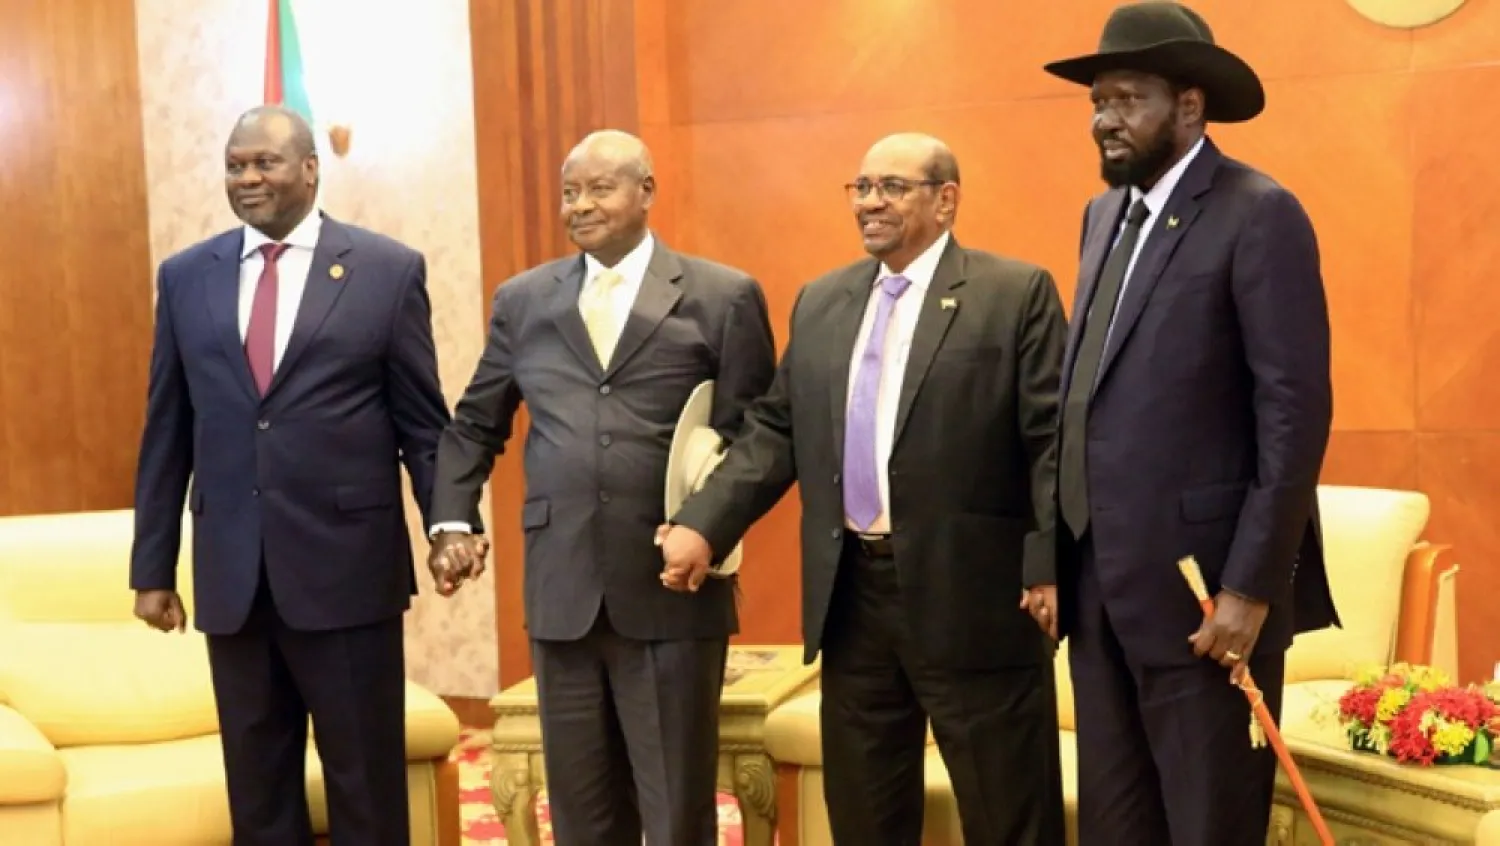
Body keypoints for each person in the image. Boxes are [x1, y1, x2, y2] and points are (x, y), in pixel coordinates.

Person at [659, 133, 1068, 845]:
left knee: (1008, 814)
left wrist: (1049, 562)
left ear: (946, 200)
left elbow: (1051, 441)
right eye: (860, 187)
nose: (870, 202)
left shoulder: (1013, 293)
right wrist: (705, 522)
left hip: (976, 597)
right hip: (855, 598)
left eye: (892, 186)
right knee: (866, 816)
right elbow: (774, 432)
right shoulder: (823, 302)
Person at [1033, 3, 1339, 844]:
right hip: (1102, 600)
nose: (1104, 119)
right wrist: (1052, 557)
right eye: (1098, 101)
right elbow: (1080, 400)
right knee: (1116, 829)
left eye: (1127, 99)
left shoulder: (1257, 211)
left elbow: (1295, 411)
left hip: (1206, 604)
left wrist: (1249, 589)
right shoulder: (1104, 217)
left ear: (1190, 106)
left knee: (1207, 827)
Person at [425, 129, 776, 846]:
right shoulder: (523, 301)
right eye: (568, 192)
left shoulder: (722, 296)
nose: (579, 205)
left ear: (646, 191)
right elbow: (472, 425)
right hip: (564, 592)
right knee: (583, 818)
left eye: (599, 188)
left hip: (673, 589)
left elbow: (759, 441)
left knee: (676, 814)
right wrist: (452, 523)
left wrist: (707, 525)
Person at [129, 105, 454, 845]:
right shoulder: (185, 278)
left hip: (347, 571)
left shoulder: (386, 269)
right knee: (258, 785)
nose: (248, 178)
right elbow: (167, 428)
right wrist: (153, 568)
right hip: (233, 577)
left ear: (310, 167)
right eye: (235, 166)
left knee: (365, 782)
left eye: (265, 163)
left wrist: (448, 526)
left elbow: (423, 426)